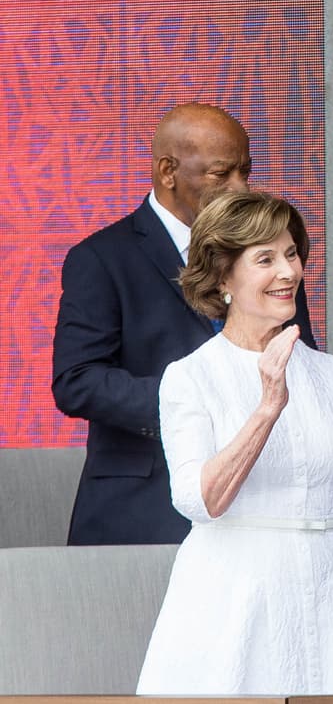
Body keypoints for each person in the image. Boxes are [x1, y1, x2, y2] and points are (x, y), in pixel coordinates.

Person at [135, 191, 333, 695]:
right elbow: (201, 500)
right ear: (223, 279)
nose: (288, 272)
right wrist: (267, 406)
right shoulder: (191, 377)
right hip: (231, 596)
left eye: (291, 254)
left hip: (329, 588)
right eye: (265, 259)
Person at [53, 102, 314, 545]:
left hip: (262, 507)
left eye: (245, 172)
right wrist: (192, 400)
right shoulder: (101, 259)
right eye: (221, 174)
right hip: (143, 511)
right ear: (167, 171)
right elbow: (77, 381)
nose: (239, 187)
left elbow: (300, 359)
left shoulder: (273, 261)